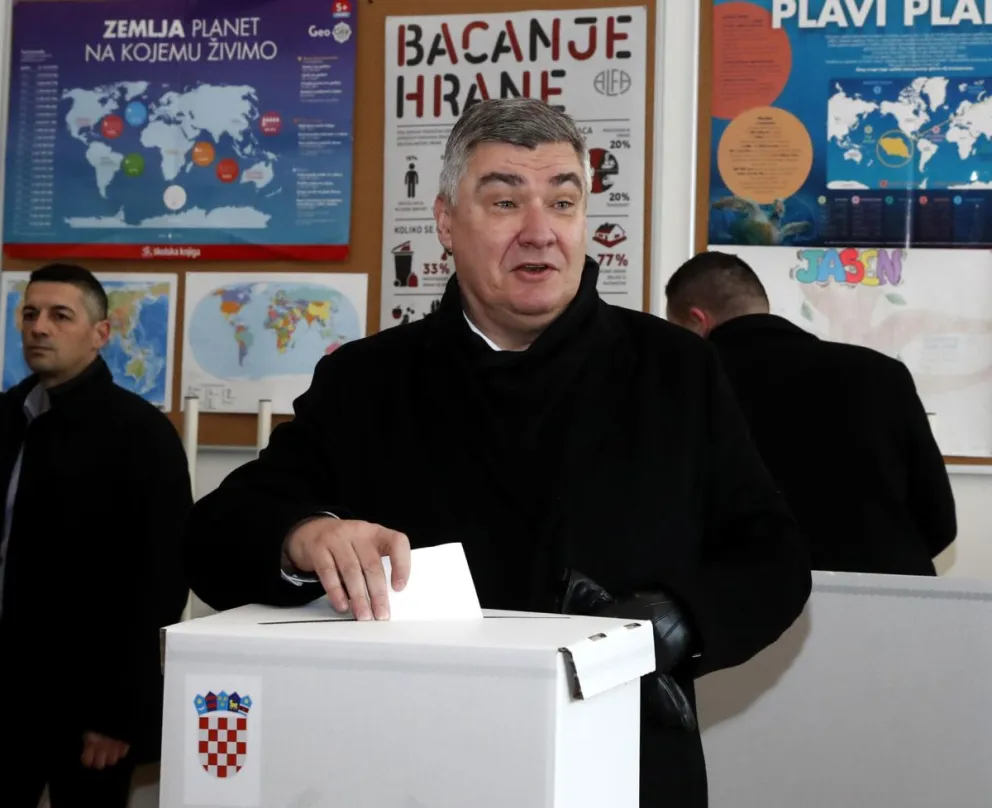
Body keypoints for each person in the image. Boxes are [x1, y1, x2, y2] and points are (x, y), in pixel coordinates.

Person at [184, 98, 811, 808]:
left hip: (625, 762)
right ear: (447, 222)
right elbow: (214, 535)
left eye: (563, 201)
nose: (539, 233)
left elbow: (773, 556)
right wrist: (305, 536)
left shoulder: (675, 369)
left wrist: (675, 622)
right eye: (506, 200)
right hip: (412, 768)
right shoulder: (370, 380)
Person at [0, 264, 193, 806]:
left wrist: (117, 715)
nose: (39, 328)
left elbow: (157, 582)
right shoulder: (8, 419)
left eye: (61, 316)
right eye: (31, 314)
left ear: (100, 333)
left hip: (87, 711)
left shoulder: (141, 436)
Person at [664, 250, 956, 575]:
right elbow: (939, 520)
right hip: (890, 595)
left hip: (754, 602)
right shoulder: (882, 373)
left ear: (699, 320)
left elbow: (672, 518)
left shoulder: (688, 386)